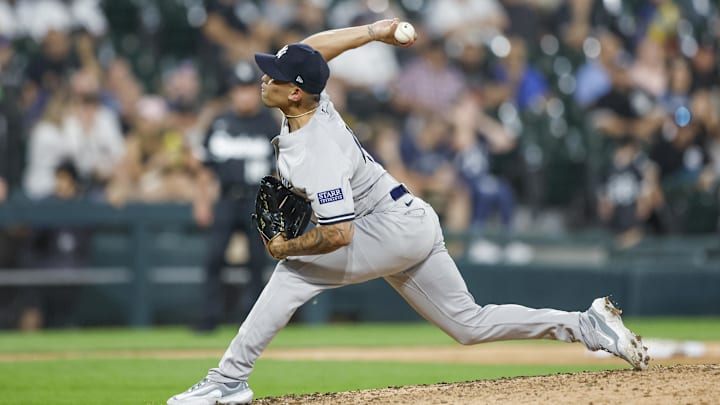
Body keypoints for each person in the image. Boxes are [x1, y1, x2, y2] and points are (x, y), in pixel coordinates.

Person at [167, 19, 649, 405]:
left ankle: (228, 380)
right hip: (410, 217)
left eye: (273, 75)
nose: (263, 77)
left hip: (387, 227)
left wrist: (285, 246)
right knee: (468, 323)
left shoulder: (316, 149)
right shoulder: (312, 101)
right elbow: (312, 51)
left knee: (293, 272)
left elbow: (338, 236)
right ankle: (585, 325)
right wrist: (373, 31)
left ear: (294, 92)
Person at [192, 61, 279, 332]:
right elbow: (205, 170)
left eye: (248, 89)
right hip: (228, 197)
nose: (243, 95)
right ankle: (209, 318)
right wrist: (203, 202)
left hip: (258, 198)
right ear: (231, 92)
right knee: (214, 258)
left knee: (257, 261)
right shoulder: (220, 123)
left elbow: (280, 170)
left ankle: (255, 323)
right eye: (238, 89)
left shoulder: (268, 123)